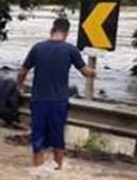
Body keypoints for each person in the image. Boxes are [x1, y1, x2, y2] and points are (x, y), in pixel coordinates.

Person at [16, 18, 97, 169]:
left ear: (52, 30)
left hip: (39, 100)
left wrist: (20, 87)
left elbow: (22, 72)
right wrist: (94, 71)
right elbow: (86, 72)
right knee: (58, 138)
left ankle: (37, 167)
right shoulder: (70, 50)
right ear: (66, 33)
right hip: (59, 102)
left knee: (38, 137)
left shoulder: (37, 48)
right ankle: (58, 168)